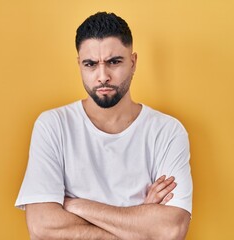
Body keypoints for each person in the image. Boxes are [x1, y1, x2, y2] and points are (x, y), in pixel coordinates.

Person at [15, 12, 193, 240]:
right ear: (79, 64)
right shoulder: (53, 126)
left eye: (114, 62)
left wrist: (76, 205)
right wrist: (141, 224)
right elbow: (42, 227)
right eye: (90, 64)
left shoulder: (167, 131)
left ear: (133, 62)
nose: (103, 76)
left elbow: (170, 230)